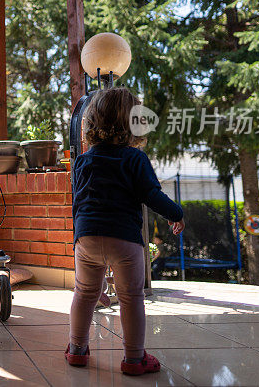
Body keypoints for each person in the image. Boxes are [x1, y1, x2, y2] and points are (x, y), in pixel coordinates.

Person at [66, 87, 185, 376]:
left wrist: (78, 239)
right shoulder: (135, 159)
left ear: (92, 121)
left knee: (84, 293)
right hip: (125, 241)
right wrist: (176, 214)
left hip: (88, 237)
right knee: (131, 297)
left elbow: (78, 203)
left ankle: (77, 350)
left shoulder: (82, 161)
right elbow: (152, 196)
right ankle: (134, 359)